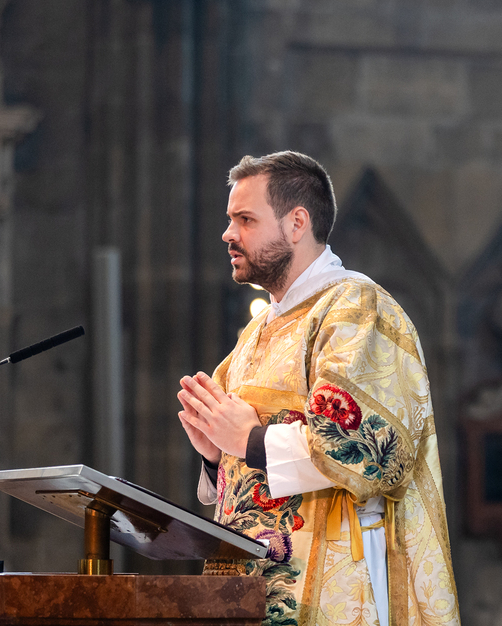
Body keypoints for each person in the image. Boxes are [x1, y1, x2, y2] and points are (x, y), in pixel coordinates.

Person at [176, 151, 459, 626]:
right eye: (230, 220)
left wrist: (249, 441)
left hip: (334, 578)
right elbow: (249, 457)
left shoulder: (355, 307)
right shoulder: (258, 330)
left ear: (297, 223)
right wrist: (217, 454)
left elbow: (369, 452)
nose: (228, 234)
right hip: (248, 583)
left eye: (245, 219)